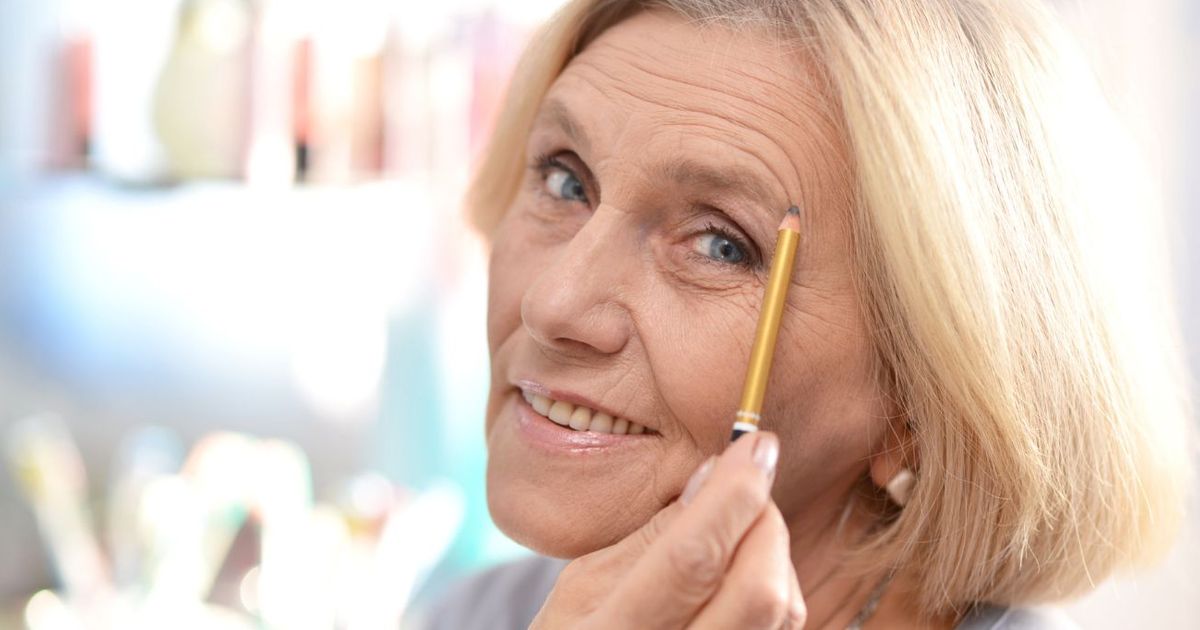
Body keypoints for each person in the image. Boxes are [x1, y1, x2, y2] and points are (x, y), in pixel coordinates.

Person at [423, 0, 1191, 627]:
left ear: (922, 402)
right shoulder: (473, 616)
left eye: (722, 245)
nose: (550, 303)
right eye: (565, 181)